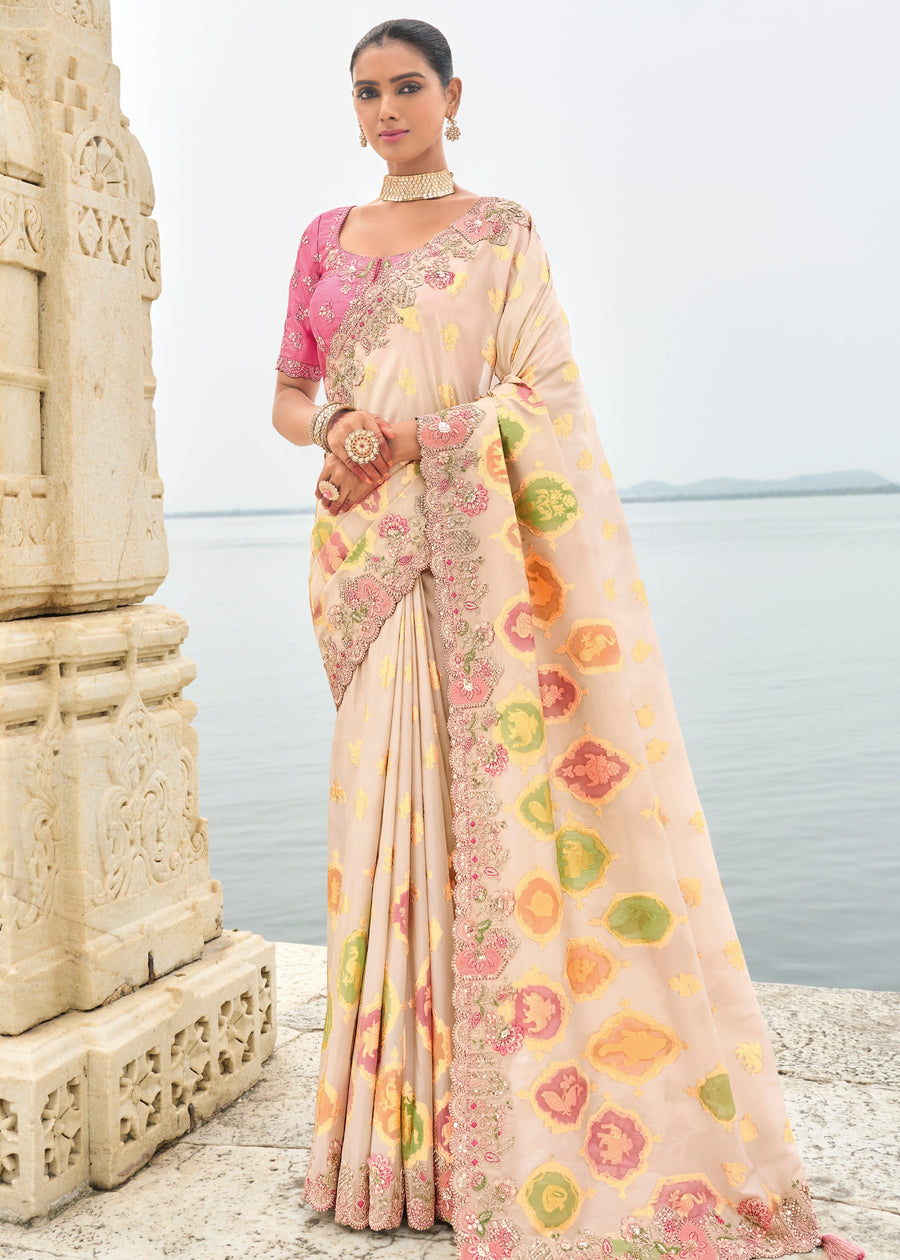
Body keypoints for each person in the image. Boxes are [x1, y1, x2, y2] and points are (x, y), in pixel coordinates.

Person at [271, 18, 865, 1260]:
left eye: (407, 87)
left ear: (452, 95)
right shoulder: (323, 241)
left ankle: (512, 1139)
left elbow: (544, 399)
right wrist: (336, 428)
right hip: (372, 565)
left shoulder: (502, 232)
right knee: (386, 827)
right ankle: (394, 1148)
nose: (386, 110)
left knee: (494, 828)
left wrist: (425, 437)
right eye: (366, 93)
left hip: (479, 563)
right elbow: (288, 396)